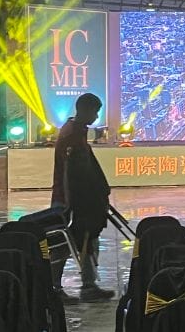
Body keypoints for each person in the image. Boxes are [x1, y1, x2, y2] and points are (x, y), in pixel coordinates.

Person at [51, 92, 114, 302]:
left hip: (80, 200)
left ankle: (88, 285)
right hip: (72, 201)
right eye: (95, 112)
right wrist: (74, 204)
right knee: (64, 245)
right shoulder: (72, 135)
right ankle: (55, 288)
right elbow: (73, 175)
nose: (96, 116)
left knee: (88, 240)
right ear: (85, 110)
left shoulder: (77, 131)